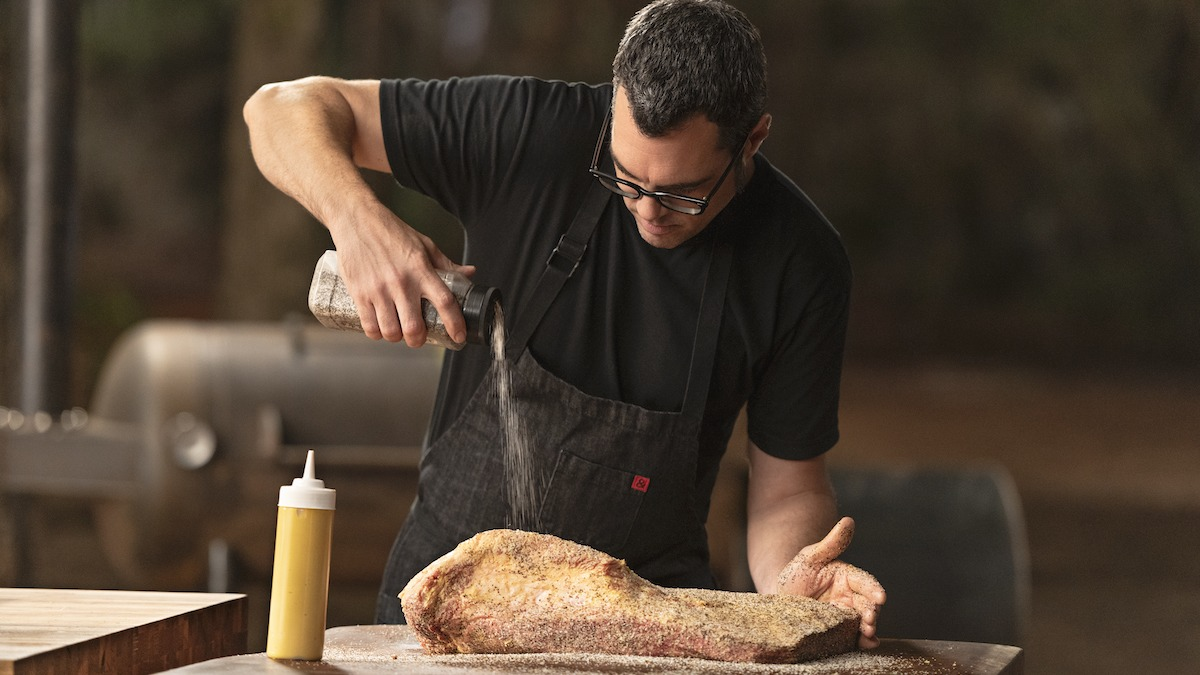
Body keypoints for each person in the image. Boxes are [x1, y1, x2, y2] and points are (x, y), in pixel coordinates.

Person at [244, 0, 885, 648]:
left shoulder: (800, 262)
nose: (646, 210)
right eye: (625, 177)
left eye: (680, 193)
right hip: (439, 622)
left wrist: (790, 585)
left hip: (650, 640)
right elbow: (278, 109)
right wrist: (355, 218)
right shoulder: (532, 134)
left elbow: (786, 490)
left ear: (752, 139)